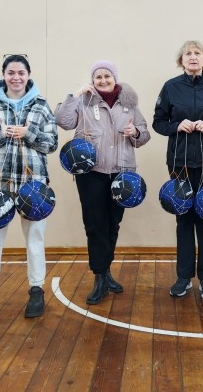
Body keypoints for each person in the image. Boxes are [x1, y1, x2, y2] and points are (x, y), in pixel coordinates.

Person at [56, 60, 150, 305]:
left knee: (112, 224)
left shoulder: (129, 104)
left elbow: (144, 134)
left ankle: (106, 271)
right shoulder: (83, 101)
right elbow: (63, 121)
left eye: (107, 76)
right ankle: (99, 276)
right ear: (92, 80)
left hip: (122, 173)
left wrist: (135, 133)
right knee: (95, 224)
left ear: (114, 78)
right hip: (91, 173)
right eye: (98, 77)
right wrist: (76, 94)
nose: (103, 80)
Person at [0, 54, 58, 321]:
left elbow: (51, 144)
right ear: (4, 75)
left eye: (21, 73)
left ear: (28, 75)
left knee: (35, 239)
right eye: (11, 72)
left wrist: (27, 133)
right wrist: (1, 133)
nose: (16, 77)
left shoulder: (41, 105)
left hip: (33, 185)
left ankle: (36, 290)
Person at [153, 40, 203, 300]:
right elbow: (158, 122)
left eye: (197, 53)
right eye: (187, 53)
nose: (192, 57)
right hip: (179, 163)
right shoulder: (170, 87)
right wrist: (176, 126)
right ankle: (184, 277)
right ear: (181, 60)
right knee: (184, 220)